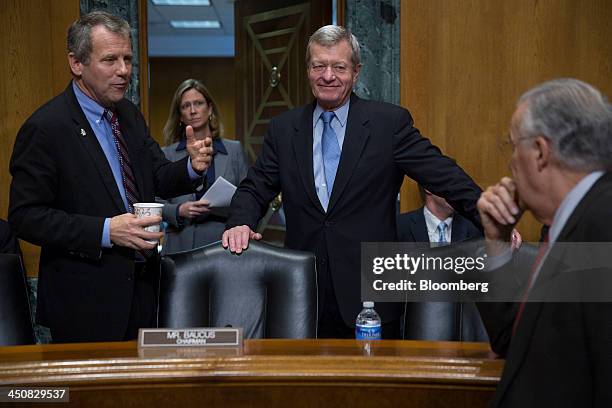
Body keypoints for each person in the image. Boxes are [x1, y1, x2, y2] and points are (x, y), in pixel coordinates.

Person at [222, 25, 482, 339]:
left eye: (339, 67)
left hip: (369, 297)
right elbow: (255, 186)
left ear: (356, 72)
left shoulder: (389, 124)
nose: (328, 75)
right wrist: (239, 222)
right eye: (319, 65)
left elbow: (443, 174)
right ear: (308, 70)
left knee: (372, 388)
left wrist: (491, 217)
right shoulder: (283, 128)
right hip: (304, 295)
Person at [8, 11, 212, 343]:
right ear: (77, 63)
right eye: (110, 60)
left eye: (128, 59)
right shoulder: (46, 128)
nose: (124, 71)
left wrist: (191, 167)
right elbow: (25, 217)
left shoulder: (129, 115)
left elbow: (158, 175)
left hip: (144, 294)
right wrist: (106, 231)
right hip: (84, 304)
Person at [476, 78, 612, 406]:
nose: (510, 164)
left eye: (512, 145)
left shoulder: (602, 226)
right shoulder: (568, 226)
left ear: (539, 151)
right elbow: (512, 340)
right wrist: (497, 242)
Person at [159, 79, 248, 254]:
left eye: (198, 103)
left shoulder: (234, 150)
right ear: (180, 115)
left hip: (224, 242)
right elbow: (152, 202)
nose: (193, 111)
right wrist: (178, 210)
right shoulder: (166, 154)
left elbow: (249, 196)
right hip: (180, 243)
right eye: (185, 106)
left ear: (210, 109)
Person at [397, 187, 488, 341]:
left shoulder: (474, 229)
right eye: (450, 183)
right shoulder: (400, 226)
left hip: (462, 333)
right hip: (410, 331)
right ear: (429, 189)